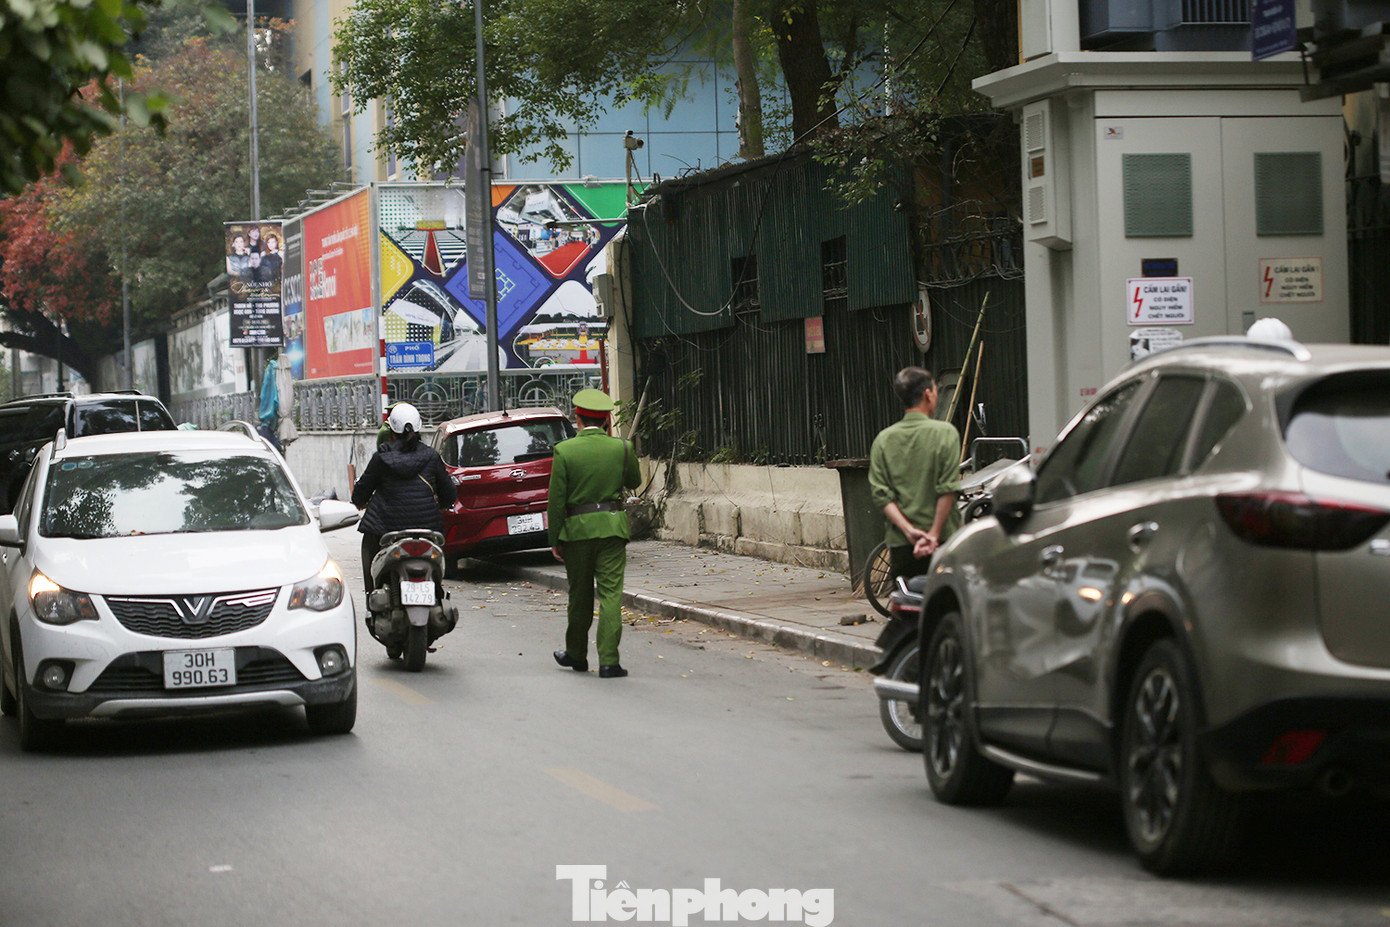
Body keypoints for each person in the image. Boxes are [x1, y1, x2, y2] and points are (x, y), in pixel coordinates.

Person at [548, 388, 641, 678]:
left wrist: (555, 540)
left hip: (576, 533)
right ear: (605, 420)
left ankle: (576, 654)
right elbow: (634, 480)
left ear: (577, 418)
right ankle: (610, 661)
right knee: (612, 595)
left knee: (580, 595)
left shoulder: (564, 451)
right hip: (612, 529)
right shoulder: (622, 448)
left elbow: (556, 501)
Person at [868, 366, 962, 581]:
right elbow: (947, 489)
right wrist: (933, 535)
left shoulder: (884, 439)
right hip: (943, 540)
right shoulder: (945, 433)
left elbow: (881, 495)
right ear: (928, 394)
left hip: (902, 543)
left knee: (906, 604)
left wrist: (909, 531)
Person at [351, 402, 455, 595]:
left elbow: (360, 493)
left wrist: (359, 501)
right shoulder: (431, 457)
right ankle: (437, 590)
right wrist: (442, 503)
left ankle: (372, 595)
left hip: (385, 529)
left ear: (391, 429)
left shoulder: (381, 458)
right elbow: (449, 494)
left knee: (368, 545)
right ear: (419, 427)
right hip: (427, 529)